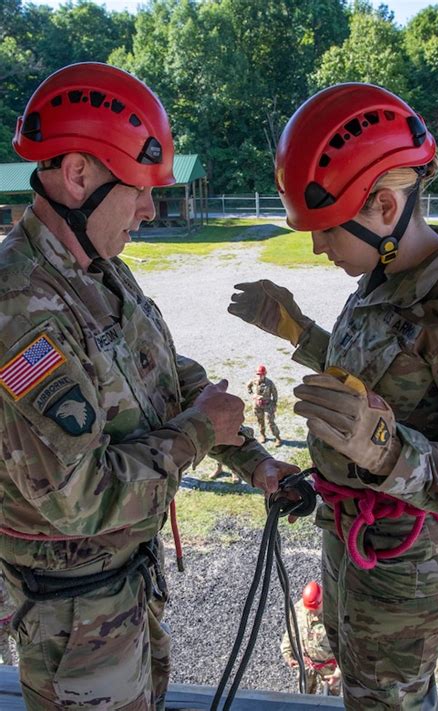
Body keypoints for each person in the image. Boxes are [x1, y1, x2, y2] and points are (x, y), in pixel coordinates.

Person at [0, 62, 299, 711]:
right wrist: (201, 430)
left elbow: (166, 376)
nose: (150, 208)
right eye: (139, 187)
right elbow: (81, 497)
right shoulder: (20, 311)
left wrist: (255, 460)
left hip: (125, 597)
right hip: (73, 630)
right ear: (78, 174)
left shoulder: (102, 273)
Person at [229, 83, 438, 709]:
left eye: (325, 229)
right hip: (354, 545)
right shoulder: (379, 278)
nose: (315, 246)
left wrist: (390, 452)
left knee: (386, 700)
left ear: (386, 208)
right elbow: (371, 377)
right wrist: (299, 331)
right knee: (359, 685)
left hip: (408, 572)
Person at [281, 581, 341, 696]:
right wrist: (287, 653)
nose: (311, 612)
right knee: (304, 697)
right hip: (306, 665)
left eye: (315, 608)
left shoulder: (335, 616)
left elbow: (347, 648)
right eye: (309, 608)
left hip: (329, 669)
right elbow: (291, 631)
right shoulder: (299, 610)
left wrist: (339, 673)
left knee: (331, 701)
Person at [246, 364, 282, 445]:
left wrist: (274, 404)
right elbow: (248, 386)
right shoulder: (253, 381)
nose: (259, 376)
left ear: (265, 374)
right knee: (260, 420)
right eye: (258, 374)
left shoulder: (269, 383)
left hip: (267, 404)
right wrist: (252, 395)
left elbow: (275, 393)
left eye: (261, 374)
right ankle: (262, 435)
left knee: (270, 422)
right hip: (257, 405)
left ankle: (277, 437)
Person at [0, 574, 16, 665]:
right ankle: (9, 671)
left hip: (13, 618)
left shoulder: (3, 580)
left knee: (24, 644)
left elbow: (11, 599)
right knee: (4, 650)